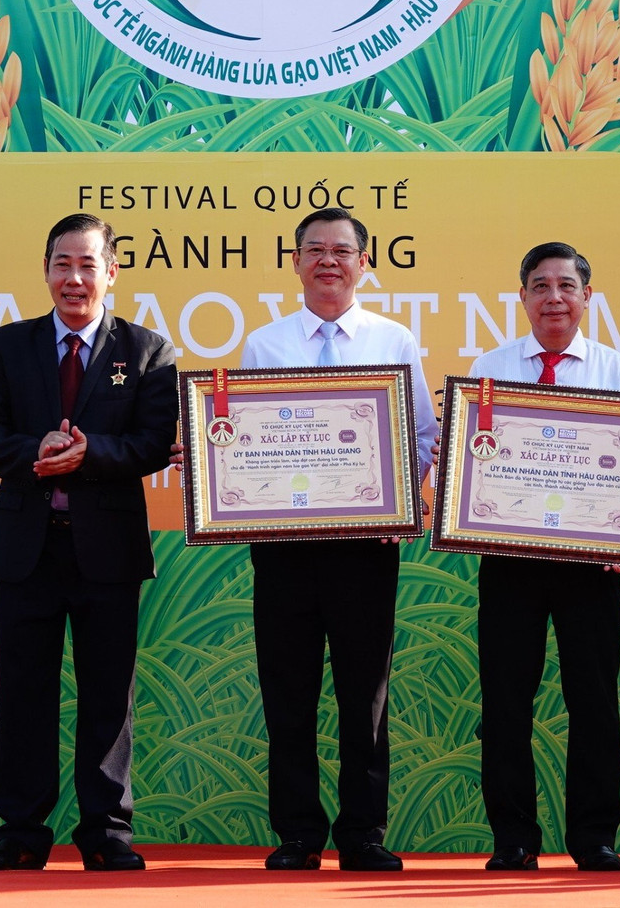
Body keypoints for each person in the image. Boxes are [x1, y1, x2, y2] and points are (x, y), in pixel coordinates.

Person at [0, 213, 178, 872]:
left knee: (108, 697)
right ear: (46, 270)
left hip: (107, 550)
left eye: (89, 265)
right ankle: (22, 833)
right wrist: (39, 451)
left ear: (112, 273)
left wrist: (86, 455)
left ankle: (107, 831)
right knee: (24, 693)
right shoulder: (8, 347)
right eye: (63, 263)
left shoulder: (148, 352)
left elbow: (153, 443)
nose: (75, 278)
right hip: (27, 548)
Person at [240, 207, 437, 872]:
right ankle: (298, 833)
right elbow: (244, 436)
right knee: (288, 693)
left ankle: (363, 833)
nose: (329, 260)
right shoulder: (265, 346)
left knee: (366, 696)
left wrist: (399, 500)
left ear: (365, 264)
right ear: (295, 263)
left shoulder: (394, 340)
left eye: (342, 250)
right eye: (315, 250)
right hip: (285, 548)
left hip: (365, 548)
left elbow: (422, 437)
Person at [467, 241, 620, 873]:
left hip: (591, 568)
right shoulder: (488, 369)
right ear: (522, 298)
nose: (553, 297)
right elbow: (473, 466)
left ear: (587, 298)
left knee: (593, 703)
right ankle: (513, 838)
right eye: (539, 286)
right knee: (506, 704)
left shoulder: (619, 373)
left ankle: (593, 837)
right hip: (509, 563)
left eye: (566, 286)